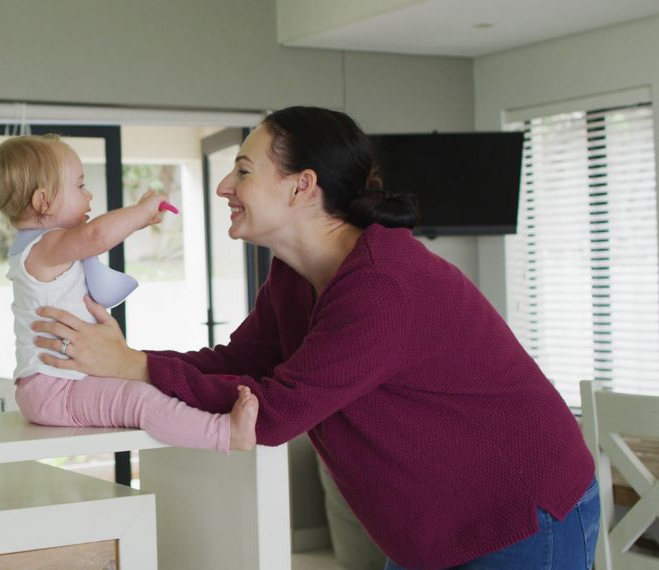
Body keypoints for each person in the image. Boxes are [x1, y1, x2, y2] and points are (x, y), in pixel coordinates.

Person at [30, 107, 599, 569]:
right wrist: (125, 360)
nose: (226, 185)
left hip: (519, 514)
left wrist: (132, 367)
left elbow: (273, 412)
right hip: (437, 525)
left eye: (244, 170)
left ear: (303, 186)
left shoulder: (382, 286)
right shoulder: (293, 275)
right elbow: (237, 360)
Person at [0, 134, 258, 454]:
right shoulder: (44, 247)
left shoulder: (47, 249)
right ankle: (224, 435)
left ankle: (208, 419)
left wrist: (137, 223)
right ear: (43, 201)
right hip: (55, 388)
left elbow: (96, 237)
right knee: (140, 400)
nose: (89, 195)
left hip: (59, 383)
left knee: (150, 387)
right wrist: (140, 212)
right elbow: (98, 235)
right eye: (79, 185)